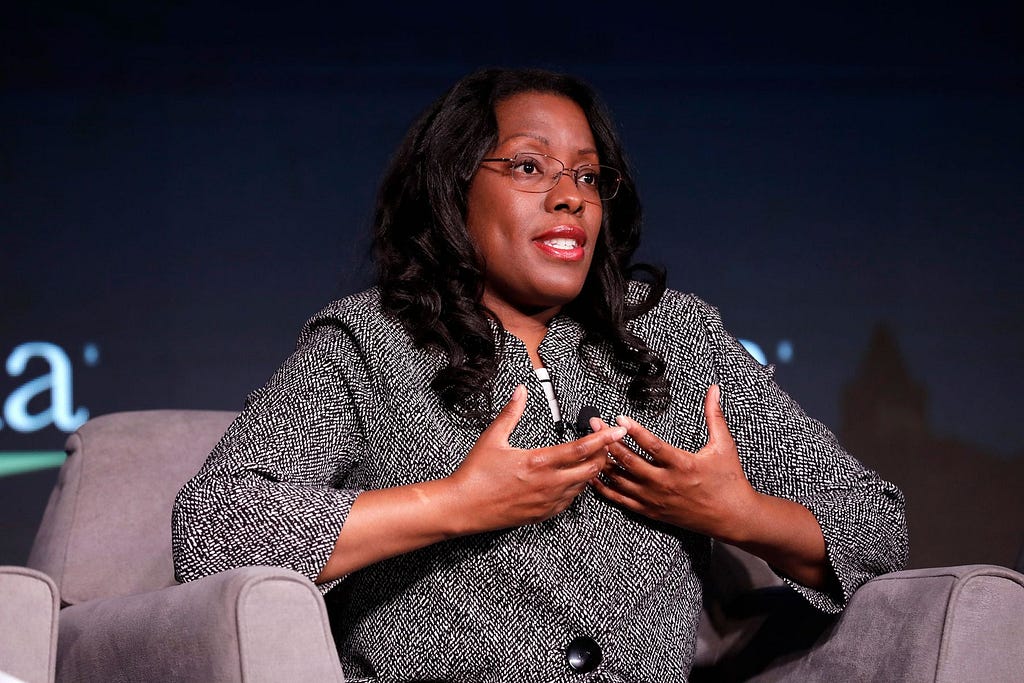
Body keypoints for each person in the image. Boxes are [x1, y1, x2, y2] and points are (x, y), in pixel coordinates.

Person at [172, 67, 908, 681]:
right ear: (453, 189)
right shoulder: (367, 342)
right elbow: (213, 528)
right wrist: (456, 502)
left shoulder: (681, 335)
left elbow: (875, 526)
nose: (570, 195)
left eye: (589, 175)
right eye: (529, 165)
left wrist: (731, 512)